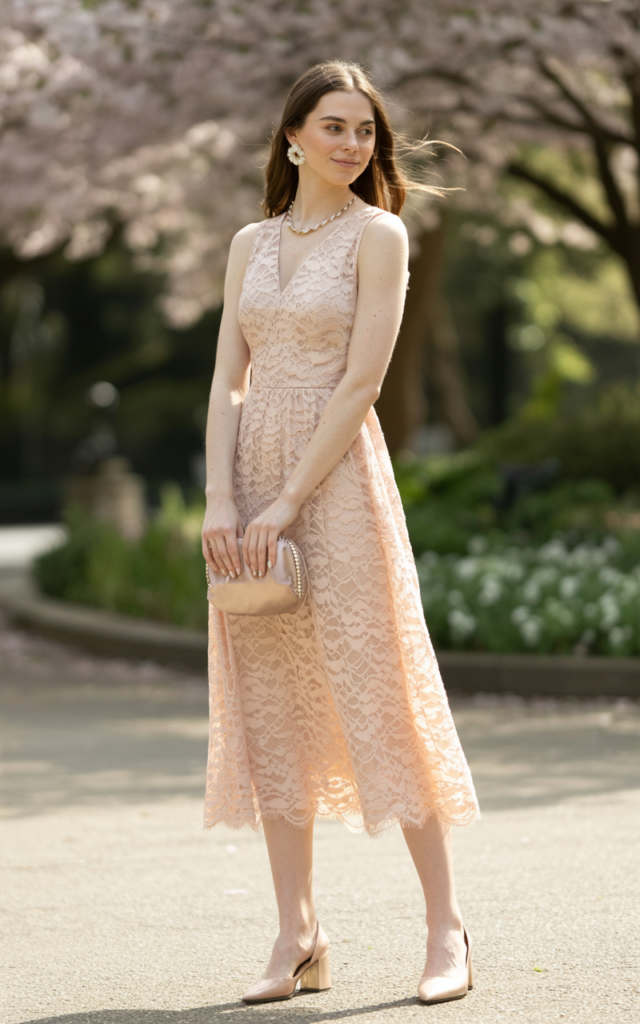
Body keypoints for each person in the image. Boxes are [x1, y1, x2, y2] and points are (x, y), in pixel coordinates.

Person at [201, 60, 480, 1006]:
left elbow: (363, 381)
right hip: (248, 484)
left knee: (381, 688)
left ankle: (445, 928)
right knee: (272, 703)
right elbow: (227, 380)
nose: (352, 144)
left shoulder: (380, 235)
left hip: (337, 481)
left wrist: (285, 501)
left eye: (365, 131)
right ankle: (298, 935)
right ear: (292, 137)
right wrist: (221, 499)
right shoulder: (249, 242)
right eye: (333, 126)